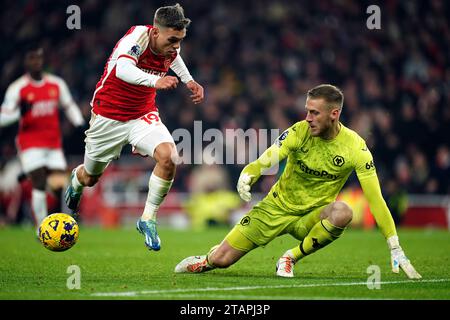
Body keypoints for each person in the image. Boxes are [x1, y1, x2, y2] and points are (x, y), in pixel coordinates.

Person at [175, 84, 421, 279]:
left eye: (314, 112)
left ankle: (290, 257)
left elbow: (375, 199)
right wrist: (249, 173)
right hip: (276, 208)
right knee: (222, 260)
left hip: (311, 216)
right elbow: (268, 157)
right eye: (307, 111)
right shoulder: (298, 131)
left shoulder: (356, 148)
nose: (308, 117)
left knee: (342, 212)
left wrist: (394, 245)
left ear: (334, 114)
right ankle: (207, 258)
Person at [64, 3, 204, 251]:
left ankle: (147, 219)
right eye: (172, 39)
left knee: (169, 157)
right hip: (109, 116)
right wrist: (155, 81)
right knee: (91, 177)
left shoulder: (170, 46)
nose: (176, 45)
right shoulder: (136, 37)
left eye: (180, 40)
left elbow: (175, 57)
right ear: (155, 32)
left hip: (142, 114)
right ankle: (77, 179)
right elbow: (122, 69)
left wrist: (189, 80)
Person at [0, 44, 85, 227]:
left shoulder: (56, 84)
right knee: (38, 180)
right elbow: (2, 117)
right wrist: (19, 113)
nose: (36, 62)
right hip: (29, 144)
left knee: (59, 185)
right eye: (32, 58)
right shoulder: (18, 88)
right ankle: (41, 226)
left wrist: (79, 123)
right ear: (26, 62)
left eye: (38, 58)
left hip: (53, 144)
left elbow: (68, 105)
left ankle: (63, 225)